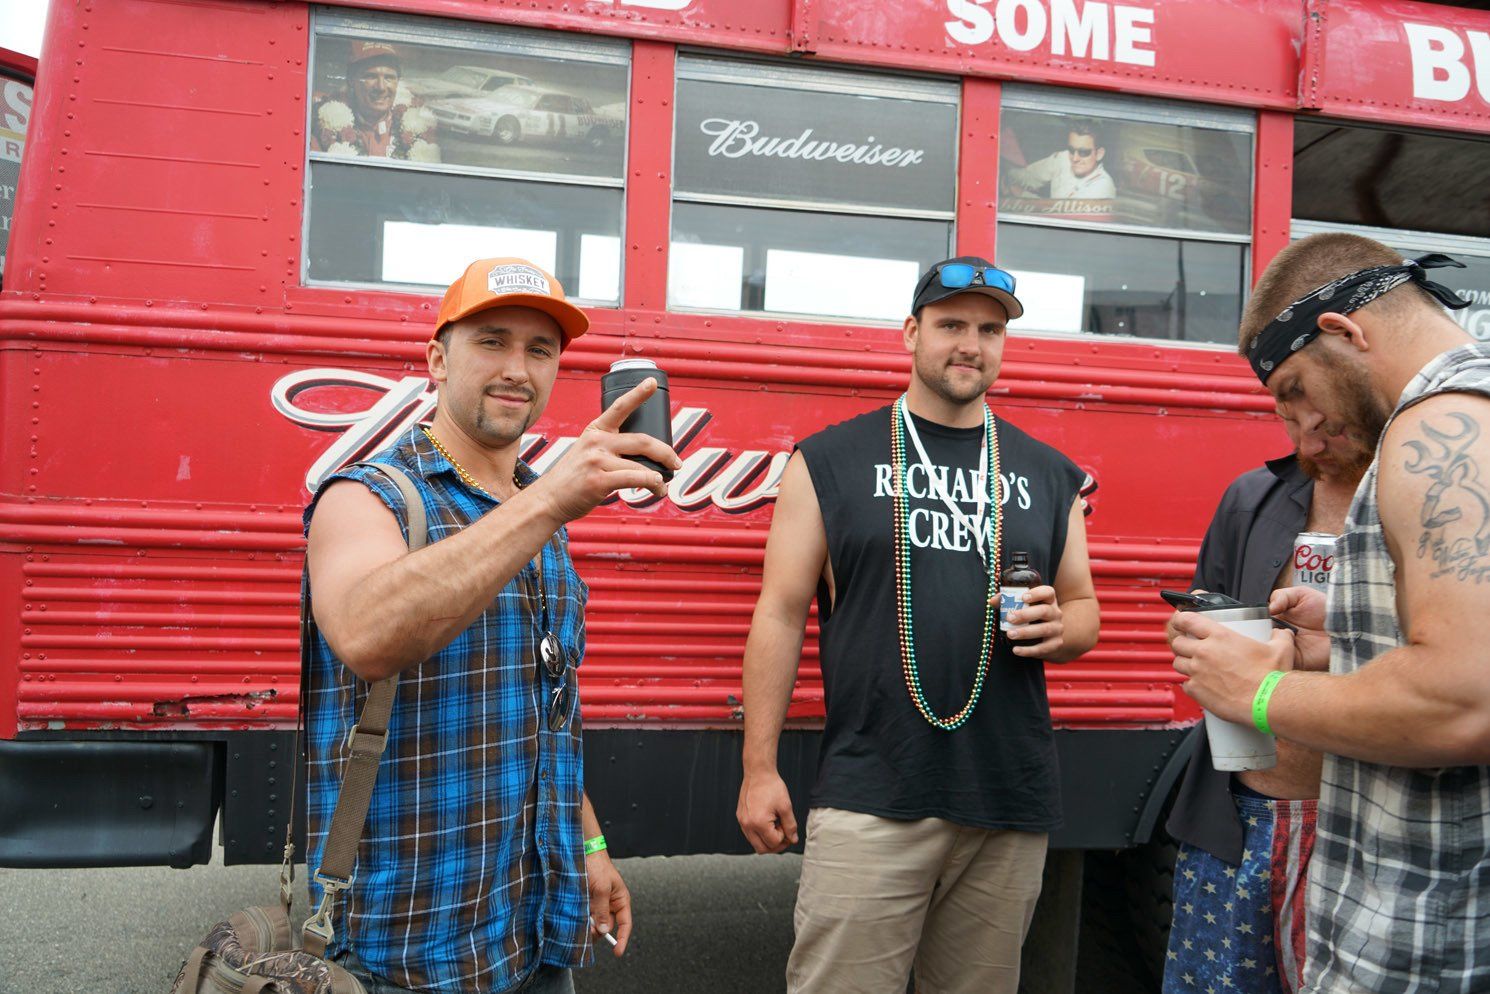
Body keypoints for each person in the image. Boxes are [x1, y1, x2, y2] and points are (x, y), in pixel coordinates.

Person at [303, 257, 681, 994]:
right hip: (410, 948)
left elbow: (545, 711)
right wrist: (545, 507)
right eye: (493, 342)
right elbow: (365, 637)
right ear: (438, 361)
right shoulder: (371, 495)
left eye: (540, 351)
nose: (518, 368)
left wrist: (591, 844)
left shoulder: (540, 507)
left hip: (535, 932)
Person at [736, 256, 1100, 994]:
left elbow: (1084, 606)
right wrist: (759, 768)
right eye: (952, 325)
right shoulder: (829, 460)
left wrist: (1064, 631)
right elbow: (778, 612)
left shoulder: (1050, 473)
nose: (972, 344)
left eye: (990, 330)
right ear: (911, 333)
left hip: (1009, 798)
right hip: (874, 792)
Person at [1168, 232, 1490, 993]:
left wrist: (1258, 692)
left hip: (1425, 947)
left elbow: (1465, 702)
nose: (1300, 427)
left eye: (1293, 390)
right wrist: (1342, 635)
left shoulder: (1442, 432)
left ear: (1344, 333)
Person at [1161, 413, 1371, 994]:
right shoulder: (1253, 497)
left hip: (1362, 827)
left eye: (1327, 419)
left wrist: (1334, 649)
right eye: (1287, 415)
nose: (1307, 440)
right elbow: (1201, 621)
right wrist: (1195, 640)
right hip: (1239, 817)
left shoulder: (1425, 500)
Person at [310, 40, 439, 161]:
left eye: (389, 78)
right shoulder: (324, 128)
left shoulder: (421, 131)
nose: (381, 87)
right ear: (351, 80)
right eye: (371, 76)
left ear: (398, 82)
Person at [1006, 119, 1116, 201]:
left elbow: (1064, 218)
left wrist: (1021, 193)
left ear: (1099, 154)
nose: (1075, 158)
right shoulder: (1063, 158)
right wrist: (1004, 177)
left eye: (1083, 152)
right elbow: (1028, 176)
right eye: (1071, 150)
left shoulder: (1103, 188)